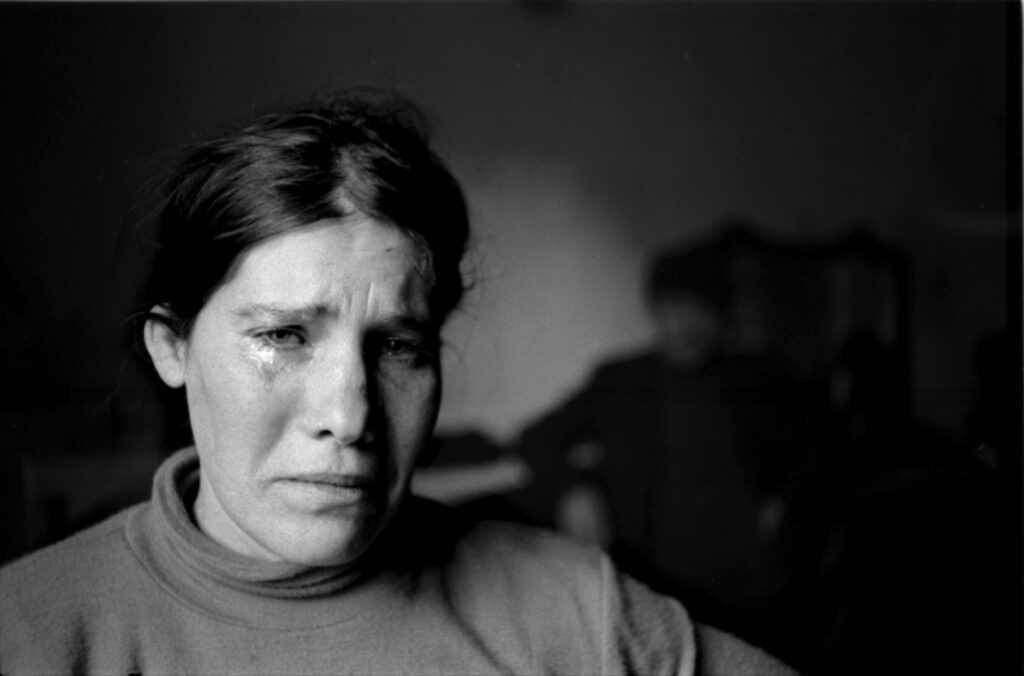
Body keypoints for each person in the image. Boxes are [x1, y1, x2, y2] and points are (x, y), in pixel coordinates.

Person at [0, 89, 795, 675]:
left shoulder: (578, 609)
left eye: (399, 347)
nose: (349, 416)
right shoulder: (31, 631)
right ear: (172, 349)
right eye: (282, 336)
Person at [518, 237, 807, 645]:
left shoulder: (758, 376)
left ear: (721, 315)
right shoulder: (620, 382)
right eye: (675, 308)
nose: (687, 324)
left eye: (701, 309)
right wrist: (574, 491)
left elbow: (818, 448)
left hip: (756, 589)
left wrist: (783, 500)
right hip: (660, 594)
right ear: (655, 310)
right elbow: (536, 438)